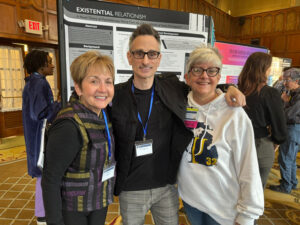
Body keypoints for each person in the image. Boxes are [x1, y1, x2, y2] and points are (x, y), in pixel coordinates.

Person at [109, 23, 245, 225]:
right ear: (129, 57)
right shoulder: (115, 95)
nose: (146, 60)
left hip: (166, 185)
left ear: (159, 58)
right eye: (139, 53)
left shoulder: (172, 88)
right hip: (131, 187)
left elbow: (202, 85)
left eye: (152, 54)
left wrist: (228, 88)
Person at [177, 46, 264, 225]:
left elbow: (248, 165)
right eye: (197, 70)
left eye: (211, 70)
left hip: (225, 209)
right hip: (191, 201)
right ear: (187, 76)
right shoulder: (178, 105)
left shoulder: (234, 113)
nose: (204, 75)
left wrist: (248, 215)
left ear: (218, 76)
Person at [41, 51, 116, 225]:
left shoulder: (103, 113)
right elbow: (50, 179)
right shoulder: (68, 125)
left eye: (108, 82)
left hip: (98, 200)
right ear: (79, 87)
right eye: (94, 81)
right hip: (73, 209)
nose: (103, 89)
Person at [22, 50, 61, 225]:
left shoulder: (34, 81)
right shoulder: (39, 84)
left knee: (42, 176)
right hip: (40, 137)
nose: (52, 65)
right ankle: (43, 216)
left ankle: (42, 215)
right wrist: (59, 104)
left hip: (35, 135)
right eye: (49, 62)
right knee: (43, 176)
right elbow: (40, 113)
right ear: (41, 65)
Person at [238, 52, 287, 189]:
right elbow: (279, 124)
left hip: (237, 143)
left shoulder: (236, 90)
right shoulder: (269, 93)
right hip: (260, 144)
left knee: (237, 186)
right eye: (270, 66)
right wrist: (277, 140)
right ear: (263, 68)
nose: (271, 70)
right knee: (256, 191)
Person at [269, 68, 300, 194]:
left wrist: (280, 110)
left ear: (297, 81)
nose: (285, 83)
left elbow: (290, 115)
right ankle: (292, 183)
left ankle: (286, 186)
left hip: (293, 129)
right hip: (294, 128)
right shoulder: (294, 93)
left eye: (287, 80)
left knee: (285, 158)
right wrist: (287, 101)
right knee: (290, 158)